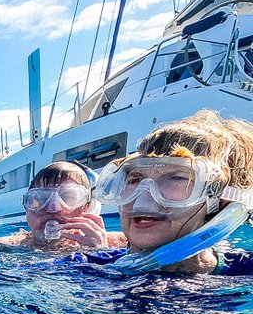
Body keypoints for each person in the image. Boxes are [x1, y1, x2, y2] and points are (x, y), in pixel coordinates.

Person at [69, 110, 253, 274]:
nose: (142, 200)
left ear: (223, 205)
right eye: (134, 179)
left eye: (176, 178)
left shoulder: (245, 272)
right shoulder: (82, 268)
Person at [0, 161, 125, 251]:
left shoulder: (121, 243)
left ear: (86, 206)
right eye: (40, 199)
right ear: (26, 207)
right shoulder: (1, 247)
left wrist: (100, 253)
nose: (53, 208)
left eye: (69, 198)